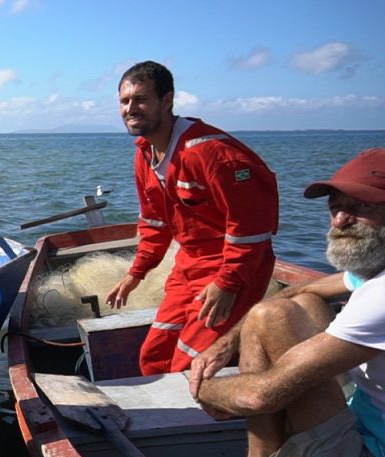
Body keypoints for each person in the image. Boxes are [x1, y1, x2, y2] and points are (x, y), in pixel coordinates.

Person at [184, 148, 385, 457]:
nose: (340, 219)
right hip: (368, 438)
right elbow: (305, 289)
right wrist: (229, 342)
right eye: (335, 206)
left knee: (268, 319)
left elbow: (260, 397)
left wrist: (205, 388)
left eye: (361, 207)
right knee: (297, 304)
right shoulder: (373, 272)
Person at [105, 60, 279, 375]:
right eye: (124, 101)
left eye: (141, 99)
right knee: (153, 358)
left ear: (167, 100)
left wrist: (228, 283)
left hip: (229, 268)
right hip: (188, 265)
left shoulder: (212, 154)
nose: (131, 108)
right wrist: (136, 274)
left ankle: (219, 415)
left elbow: (252, 229)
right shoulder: (145, 153)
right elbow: (155, 223)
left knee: (191, 365)